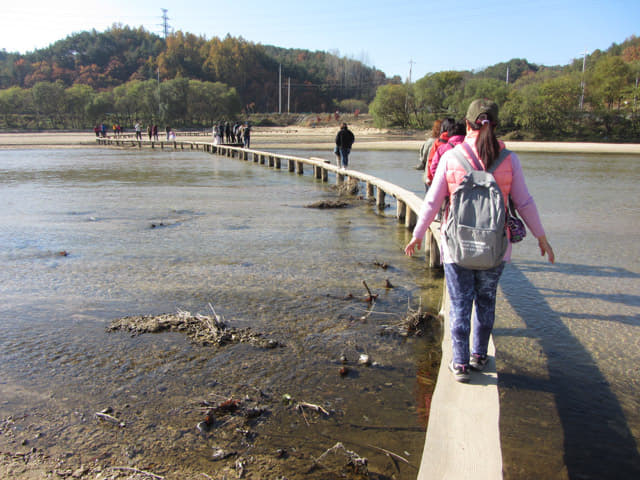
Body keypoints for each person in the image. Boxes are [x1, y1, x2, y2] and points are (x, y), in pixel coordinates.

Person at [404, 99, 555, 383]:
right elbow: (524, 202)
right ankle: (479, 355)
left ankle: (460, 364)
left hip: (456, 247)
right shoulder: (509, 159)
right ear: (495, 125)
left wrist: (417, 234)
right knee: (486, 302)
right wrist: (541, 237)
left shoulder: (452, 157)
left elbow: (433, 202)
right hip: (496, 248)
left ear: (468, 122)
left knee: (460, 304)